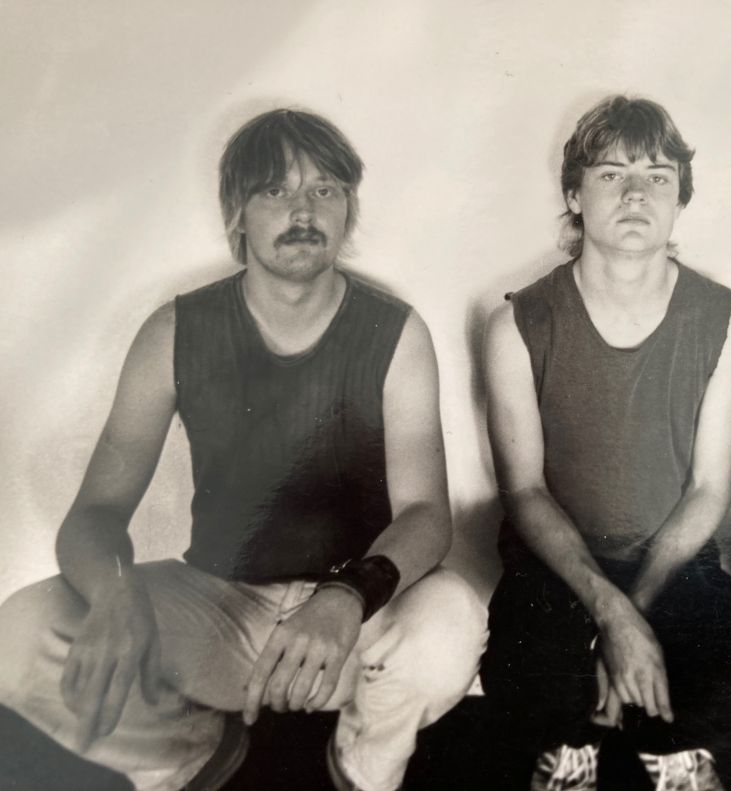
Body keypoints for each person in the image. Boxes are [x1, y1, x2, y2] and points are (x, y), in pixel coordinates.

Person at [0, 109, 487, 791]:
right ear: (238, 212)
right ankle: (188, 755)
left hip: (351, 615)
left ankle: (360, 768)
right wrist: (112, 594)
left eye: (324, 189)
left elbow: (426, 515)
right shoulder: (174, 330)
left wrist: (347, 595)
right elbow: (95, 512)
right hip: (218, 608)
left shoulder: (395, 332)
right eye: (275, 190)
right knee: (21, 632)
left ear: (348, 208)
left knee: (454, 619)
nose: (302, 211)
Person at [478, 95, 731, 790]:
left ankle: (656, 735)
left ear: (680, 198)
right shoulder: (519, 322)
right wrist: (607, 611)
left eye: (656, 176)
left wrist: (634, 611)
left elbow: (709, 487)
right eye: (612, 174)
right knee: (521, 685)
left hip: (675, 562)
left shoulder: (727, 320)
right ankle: (584, 742)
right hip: (558, 568)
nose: (635, 194)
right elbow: (524, 490)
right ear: (574, 195)